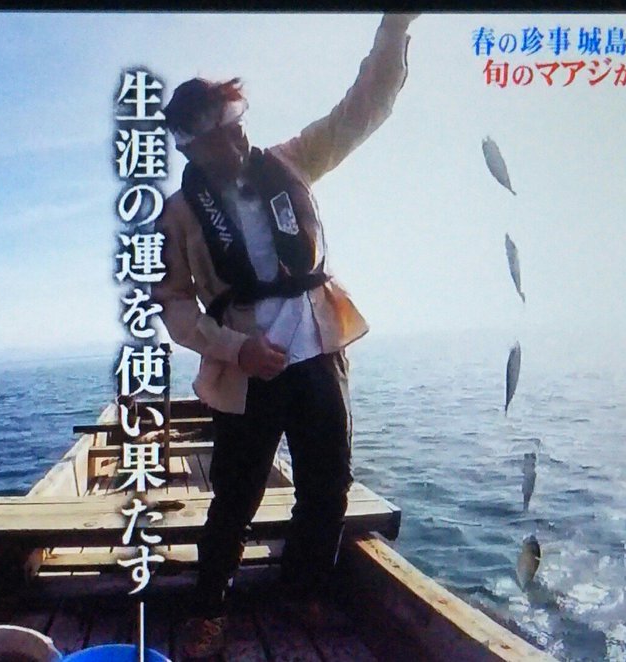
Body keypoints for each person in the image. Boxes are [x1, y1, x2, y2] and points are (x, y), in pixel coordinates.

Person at [150, 13, 417, 658]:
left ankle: (303, 591)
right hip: (246, 371)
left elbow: (362, 109)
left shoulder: (293, 161)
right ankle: (208, 610)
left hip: (320, 350)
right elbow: (174, 304)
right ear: (190, 149)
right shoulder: (178, 215)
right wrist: (234, 348)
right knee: (235, 497)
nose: (236, 142)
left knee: (328, 485)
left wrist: (394, 29)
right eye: (219, 136)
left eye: (238, 125)